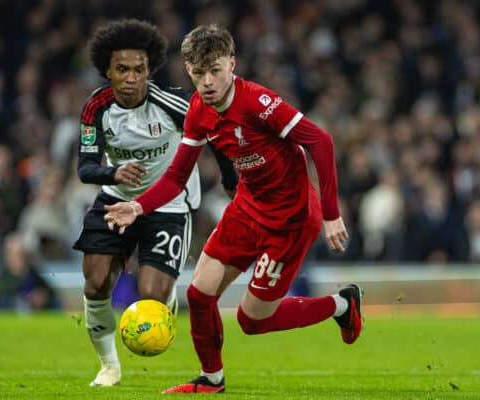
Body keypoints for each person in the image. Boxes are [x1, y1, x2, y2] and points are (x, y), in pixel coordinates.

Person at [105, 24, 363, 394]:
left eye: (215, 71)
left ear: (232, 64)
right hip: (248, 206)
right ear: (189, 71)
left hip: (289, 219)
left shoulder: (257, 102)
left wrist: (331, 213)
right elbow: (177, 175)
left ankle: (341, 304)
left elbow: (319, 141)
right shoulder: (198, 108)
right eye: (198, 72)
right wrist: (137, 206)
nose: (207, 81)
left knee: (252, 320)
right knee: (198, 293)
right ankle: (211, 378)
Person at [72, 20, 237, 387]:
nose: (131, 78)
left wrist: (230, 182)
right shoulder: (96, 108)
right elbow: (85, 168)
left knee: (152, 298)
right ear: (108, 71)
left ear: (150, 70)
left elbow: (217, 136)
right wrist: (114, 175)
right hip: (117, 200)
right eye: (122, 69)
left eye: (139, 69)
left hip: (168, 205)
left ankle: (165, 297)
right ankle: (108, 365)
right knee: (96, 283)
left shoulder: (173, 103)